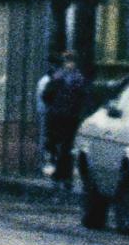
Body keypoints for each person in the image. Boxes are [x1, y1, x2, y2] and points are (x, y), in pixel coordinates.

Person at [37, 50, 90, 191]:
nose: (70, 64)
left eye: (70, 61)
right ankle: (64, 176)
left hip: (63, 117)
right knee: (65, 147)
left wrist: (53, 107)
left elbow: (46, 95)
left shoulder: (59, 77)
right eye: (68, 61)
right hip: (66, 117)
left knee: (64, 147)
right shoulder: (76, 79)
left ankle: (61, 176)